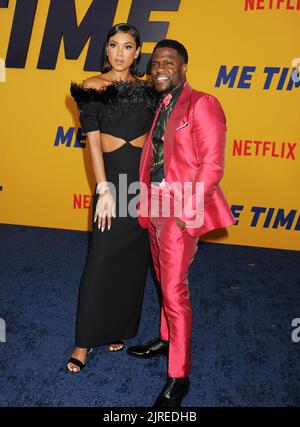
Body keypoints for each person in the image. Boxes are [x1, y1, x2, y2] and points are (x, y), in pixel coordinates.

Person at [127, 39, 235, 406]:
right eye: (155, 62)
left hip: (180, 211)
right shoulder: (162, 104)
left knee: (175, 290)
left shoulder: (202, 104)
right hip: (153, 204)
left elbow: (212, 167)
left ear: (184, 67)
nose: (160, 68)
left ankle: (179, 374)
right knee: (161, 277)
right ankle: (165, 338)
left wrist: (189, 213)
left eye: (168, 62)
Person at [66, 23, 158, 373]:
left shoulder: (150, 91)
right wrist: (103, 188)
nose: (120, 53)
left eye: (128, 46)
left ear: (137, 53)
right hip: (112, 183)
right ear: (105, 49)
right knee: (101, 258)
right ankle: (83, 342)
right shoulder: (92, 87)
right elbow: (92, 143)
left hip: (141, 183)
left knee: (133, 260)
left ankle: (119, 328)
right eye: (114, 45)